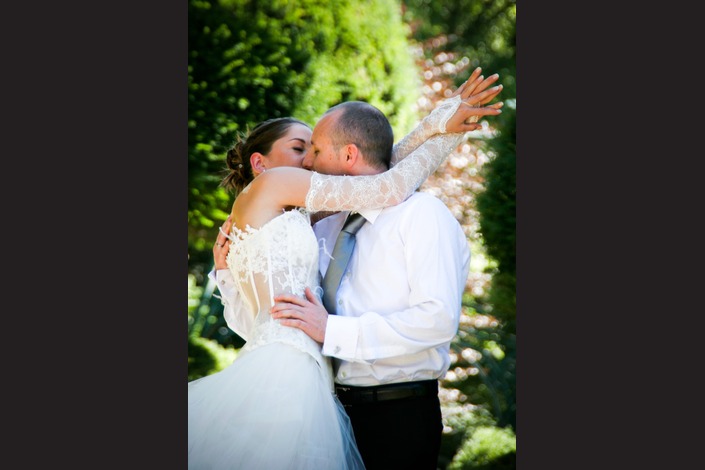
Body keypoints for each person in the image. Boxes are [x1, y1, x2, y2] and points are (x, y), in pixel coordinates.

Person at [191, 69, 503, 469]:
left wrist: (443, 124)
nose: (310, 160)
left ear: (348, 153)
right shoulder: (285, 193)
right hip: (304, 383)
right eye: (301, 147)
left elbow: (381, 176)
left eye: (315, 150)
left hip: (381, 405)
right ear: (260, 162)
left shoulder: (313, 219)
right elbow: (386, 184)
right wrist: (442, 126)